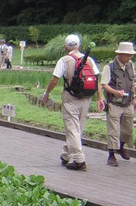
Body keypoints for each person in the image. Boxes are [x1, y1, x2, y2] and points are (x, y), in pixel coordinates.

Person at [42, 34, 99, 171]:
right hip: (86, 98)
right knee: (77, 129)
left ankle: (79, 160)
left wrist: (47, 93)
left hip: (70, 98)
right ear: (79, 46)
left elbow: (54, 80)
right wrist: (100, 98)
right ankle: (66, 155)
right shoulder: (89, 60)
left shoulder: (64, 60)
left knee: (72, 129)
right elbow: (96, 79)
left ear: (65, 47)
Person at [99, 42, 136, 166]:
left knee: (128, 130)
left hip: (127, 103)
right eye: (128, 55)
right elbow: (104, 85)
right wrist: (115, 92)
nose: (130, 57)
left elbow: (132, 83)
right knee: (113, 130)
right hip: (114, 103)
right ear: (120, 54)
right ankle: (111, 154)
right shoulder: (109, 67)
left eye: (131, 55)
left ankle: (121, 147)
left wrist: (134, 98)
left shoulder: (131, 65)